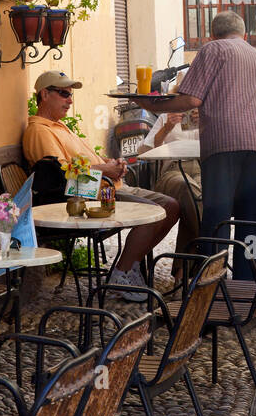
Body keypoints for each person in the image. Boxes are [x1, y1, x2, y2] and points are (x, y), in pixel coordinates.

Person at [136, 10, 256, 282]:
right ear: (244, 35)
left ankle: (211, 282)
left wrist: (150, 105)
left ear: (212, 35)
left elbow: (190, 100)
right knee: (251, 220)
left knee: (216, 215)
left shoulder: (213, 50)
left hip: (226, 142)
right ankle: (249, 282)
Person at [23, 71, 179, 299]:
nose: (70, 100)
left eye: (71, 94)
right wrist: (105, 171)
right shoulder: (40, 130)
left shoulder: (59, 127)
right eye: (64, 93)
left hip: (110, 186)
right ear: (45, 95)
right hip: (94, 195)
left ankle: (131, 263)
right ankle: (121, 273)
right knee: (154, 212)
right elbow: (61, 174)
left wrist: (110, 163)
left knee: (171, 206)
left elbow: (82, 161)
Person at [138, 110, 202, 255]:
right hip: (172, 169)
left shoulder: (206, 115)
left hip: (200, 168)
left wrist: (206, 124)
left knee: (196, 200)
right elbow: (145, 150)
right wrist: (167, 127)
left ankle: (182, 270)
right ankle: (208, 243)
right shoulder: (166, 116)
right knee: (188, 189)